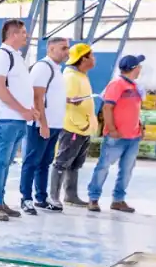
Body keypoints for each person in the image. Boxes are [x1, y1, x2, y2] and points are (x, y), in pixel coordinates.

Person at [0, 20, 38, 222]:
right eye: (23, 33)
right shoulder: (1, 55)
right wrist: (22, 110)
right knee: (0, 160)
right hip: (6, 118)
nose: (26, 36)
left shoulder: (16, 57)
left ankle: (0, 201)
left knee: (6, 162)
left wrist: (28, 111)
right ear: (13, 34)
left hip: (17, 118)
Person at [87, 55, 144, 213]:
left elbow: (134, 110)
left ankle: (118, 200)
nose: (140, 69)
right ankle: (93, 198)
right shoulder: (117, 84)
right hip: (116, 136)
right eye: (139, 66)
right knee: (103, 166)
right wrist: (112, 129)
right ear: (134, 68)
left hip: (133, 136)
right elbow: (107, 107)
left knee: (126, 170)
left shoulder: (134, 87)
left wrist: (140, 126)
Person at [19, 36, 69, 214]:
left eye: (67, 48)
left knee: (45, 162)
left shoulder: (57, 70)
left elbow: (51, 96)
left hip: (55, 124)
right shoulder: (43, 67)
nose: (66, 52)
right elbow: (37, 97)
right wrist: (43, 124)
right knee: (32, 162)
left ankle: (41, 197)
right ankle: (26, 198)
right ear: (51, 49)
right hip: (41, 125)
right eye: (63, 48)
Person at [51, 43, 97, 207]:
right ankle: (54, 197)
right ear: (83, 59)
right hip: (73, 128)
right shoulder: (71, 77)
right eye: (91, 56)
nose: (94, 59)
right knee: (62, 162)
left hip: (82, 128)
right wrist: (81, 125)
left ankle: (71, 195)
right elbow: (68, 103)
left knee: (75, 164)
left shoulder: (82, 76)